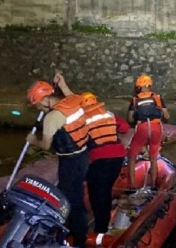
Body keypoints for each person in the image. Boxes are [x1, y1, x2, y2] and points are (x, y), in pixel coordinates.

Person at [53, 74, 130, 234]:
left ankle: (100, 230)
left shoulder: (81, 118)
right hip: (117, 157)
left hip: (99, 159)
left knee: (98, 194)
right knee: (105, 189)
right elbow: (124, 128)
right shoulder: (108, 114)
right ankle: (103, 222)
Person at [25, 79, 90, 248]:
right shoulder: (73, 101)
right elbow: (72, 95)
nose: (38, 109)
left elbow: (46, 146)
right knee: (67, 192)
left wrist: (33, 141)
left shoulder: (52, 117)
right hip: (83, 155)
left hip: (70, 161)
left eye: (38, 105)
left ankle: (78, 239)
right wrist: (62, 84)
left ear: (45, 100)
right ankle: (68, 229)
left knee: (72, 199)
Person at [126, 73, 170, 189]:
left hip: (143, 127)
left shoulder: (135, 99)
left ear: (139, 86)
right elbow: (167, 116)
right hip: (156, 126)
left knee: (132, 155)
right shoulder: (157, 97)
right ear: (150, 85)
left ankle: (132, 185)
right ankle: (155, 185)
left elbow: (130, 118)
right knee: (153, 156)